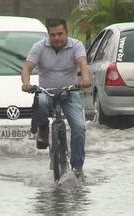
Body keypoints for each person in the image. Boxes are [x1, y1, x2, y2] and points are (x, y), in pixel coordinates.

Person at [21, 18, 91, 178]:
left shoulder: (76, 45)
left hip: (69, 92)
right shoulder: (39, 47)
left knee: (79, 128)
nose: (57, 38)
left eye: (60, 34)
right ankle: (44, 128)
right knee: (42, 102)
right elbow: (27, 67)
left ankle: (77, 167)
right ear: (48, 35)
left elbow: (82, 63)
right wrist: (26, 83)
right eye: (53, 35)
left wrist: (85, 79)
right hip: (47, 92)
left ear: (67, 32)